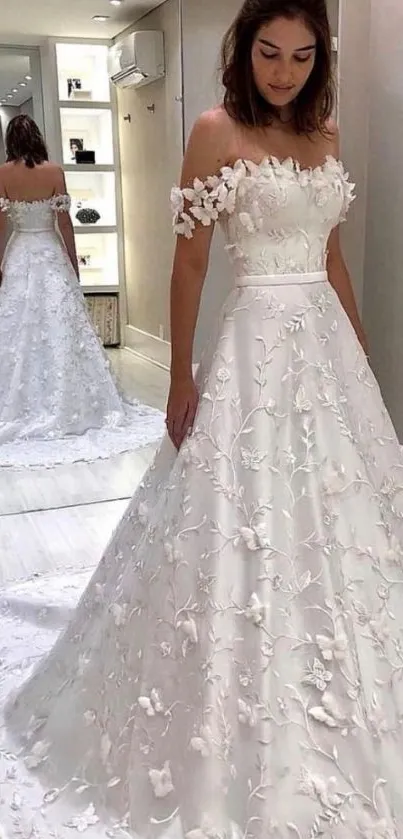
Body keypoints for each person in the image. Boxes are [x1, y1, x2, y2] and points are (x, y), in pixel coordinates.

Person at [2, 1, 403, 836]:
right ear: (243, 50)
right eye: (268, 53)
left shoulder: (325, 138)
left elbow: (330, 260)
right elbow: (188, 261)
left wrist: (360, 353)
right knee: (236, 513)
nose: (284, 71)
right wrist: (179, 372)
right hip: (253, 340)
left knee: (349, 509)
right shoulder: (215, 130)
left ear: (319, 60)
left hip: (324, 350)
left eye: (300, 56)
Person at [0, 115, 163, 468]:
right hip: (48, 253)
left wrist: (0, 263)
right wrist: (74, 265)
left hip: (20, 254)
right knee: (61, 328)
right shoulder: (55, 172)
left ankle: (20, 401)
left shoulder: (3, 174)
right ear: (38, 138)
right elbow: (64, 223)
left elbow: (0, 227)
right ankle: (71, 401)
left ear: (11, 140)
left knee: (17, 330)